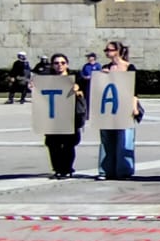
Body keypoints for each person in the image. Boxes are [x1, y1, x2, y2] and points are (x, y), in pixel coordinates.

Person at [96, 40, 141, 180]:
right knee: (106, 139)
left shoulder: (129, 68)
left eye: (109, 50)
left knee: (125, 139)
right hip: (109, 108)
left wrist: (134, 107)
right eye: (106, 50)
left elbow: (135, 90)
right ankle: (105, 170)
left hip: (125, 107)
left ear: (117, 51)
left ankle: (124, 170)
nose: (107, 52)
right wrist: (101, 76)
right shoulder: (106, 67)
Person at [42, 53, 86, 179]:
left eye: (62, 63)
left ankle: (67, 168)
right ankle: (57, 168)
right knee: (53, 144)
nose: (59, 65)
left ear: (67, 64)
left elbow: (84, 92)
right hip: (53, 116)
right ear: (52, 65)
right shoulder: (47, 78)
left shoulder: (76, 77)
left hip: (70, 115)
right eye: (56, 63)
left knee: (68, 143)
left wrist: (78, 90)